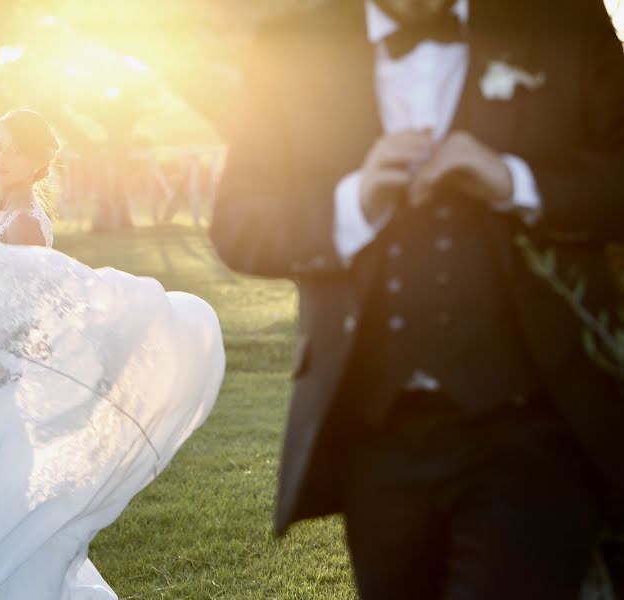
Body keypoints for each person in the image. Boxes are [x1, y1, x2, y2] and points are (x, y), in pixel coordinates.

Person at [210, 0, 624, 597]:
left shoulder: (561, 16)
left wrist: (515, 179)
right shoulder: (290, 43)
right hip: (374, 439)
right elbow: (238, 224)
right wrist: (354, 204)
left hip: (537, 425)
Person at [0, 109, 225, 599]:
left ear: (34, 163)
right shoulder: (3, 215)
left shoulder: (26, 223)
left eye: (12, 150)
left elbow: (26, 321)